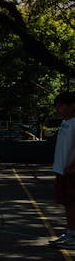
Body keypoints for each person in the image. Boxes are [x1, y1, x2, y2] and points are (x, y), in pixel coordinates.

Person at [49, 92, 75, 248]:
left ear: (72, 106)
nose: (58, 109)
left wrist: (72, 167)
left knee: (72, 203)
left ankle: (73, 236)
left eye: (61, 106)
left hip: (70, 172)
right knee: (67, 203)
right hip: (62, 170)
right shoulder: (65, 123)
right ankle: (70, 232)